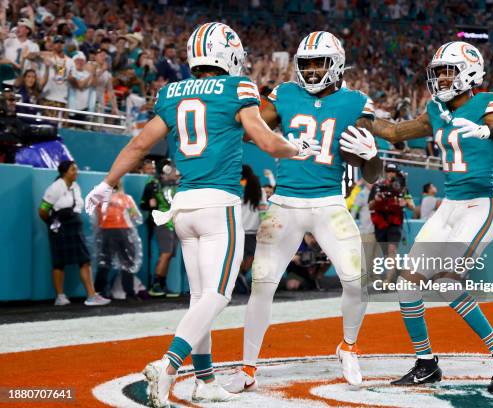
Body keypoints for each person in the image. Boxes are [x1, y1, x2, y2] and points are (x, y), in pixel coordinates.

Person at [84, 22, 320, 407]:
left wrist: (107, 183)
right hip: (217, 205)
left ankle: (206, 379)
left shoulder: (172, 92)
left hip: (183, 206)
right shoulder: (237, 88)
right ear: (227, 54)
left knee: (199, 299)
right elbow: (264, 140)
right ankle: (169, 365)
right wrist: (298, 149)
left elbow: (140, 144)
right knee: (219, 295)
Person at [224, 31, 382, 393]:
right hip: (284, 204)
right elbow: (251, 130)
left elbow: (372, 173)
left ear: (336, 64)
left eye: (319, 63)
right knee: (262, 286)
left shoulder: (357, 102)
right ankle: (248, 368)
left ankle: (348, 346)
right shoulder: (285, 93)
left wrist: (373, 157)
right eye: (306, 63)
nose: (311, 70)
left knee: (358, 282)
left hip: (329, 204)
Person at [370, 41, 493, 393]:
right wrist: (359, 117)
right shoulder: (435, 109)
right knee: (407, 284)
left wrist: (490, 131)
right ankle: (426, 364)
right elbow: (396, 132)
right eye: (438, 70)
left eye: (448, 70)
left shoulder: (488, 103)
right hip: (449, 207)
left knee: (445, 281)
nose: (441, 77)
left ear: (469, 72)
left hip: (480, 206)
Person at [38, 160, 110, 307]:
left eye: (76, 169)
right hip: (60, 227)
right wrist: (52, 223)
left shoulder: (75, 187)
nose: (76, 172)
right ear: (65, 172)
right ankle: (60, 297)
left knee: (85, 260)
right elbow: (43, 210)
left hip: (75, 227)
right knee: (59, 262)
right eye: (73, 170)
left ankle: (91, 295)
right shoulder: (55, 188)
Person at [93, 181, 143, 300]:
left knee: (104, 262)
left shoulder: (100, 199)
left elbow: (96, 219)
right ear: (119, 186)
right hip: (124, 232)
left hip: (105, 233)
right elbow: (136, 217)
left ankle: (98, 293)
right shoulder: (126, 199)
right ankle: (130, 294)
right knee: (128, 263)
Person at [368, 163, 414, 282]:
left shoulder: (403, 188)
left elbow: (412, 206)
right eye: (388, 171)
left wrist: (406, 203)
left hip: (395, 223)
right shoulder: (377, 186)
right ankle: (395, 273)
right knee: (385, 253)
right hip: (380, 223)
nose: (390, 174)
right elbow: (370, 206)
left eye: (393, 172)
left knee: (392, 250)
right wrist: (376, 200)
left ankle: (387, 281)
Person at [140, 160, 179, 298]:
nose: (176, 172)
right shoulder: (153, 183)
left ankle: (162, 285)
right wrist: (151, 205)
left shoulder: (176, 184)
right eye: (173, 169)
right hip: (162, 221)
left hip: (174, 222)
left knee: (169, 255)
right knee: (166, 253)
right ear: (167, 170)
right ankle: (155, 285)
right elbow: (143, 204)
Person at [237, 165, 267, 295]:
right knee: (251, 256)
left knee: (236, 257)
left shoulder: (236, 190)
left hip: (237, 229)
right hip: (253, 230)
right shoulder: (260, 191)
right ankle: (241, 274)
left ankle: (236, 276)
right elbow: (263, 211)